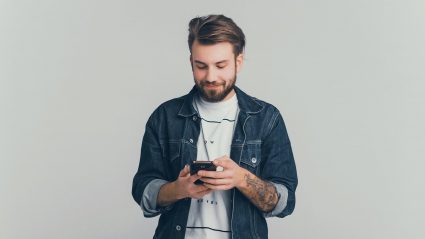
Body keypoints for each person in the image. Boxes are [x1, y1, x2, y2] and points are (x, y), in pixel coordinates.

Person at [132, 14, 298, 239]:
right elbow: (142, 189)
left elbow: (283, 202)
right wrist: (178, 189)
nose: (211, 76)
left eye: (221, 66)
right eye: (201, 66)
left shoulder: (266, 118)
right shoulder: (165, 117)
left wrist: (241, 179)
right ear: (191, 61)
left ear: (238, 61)